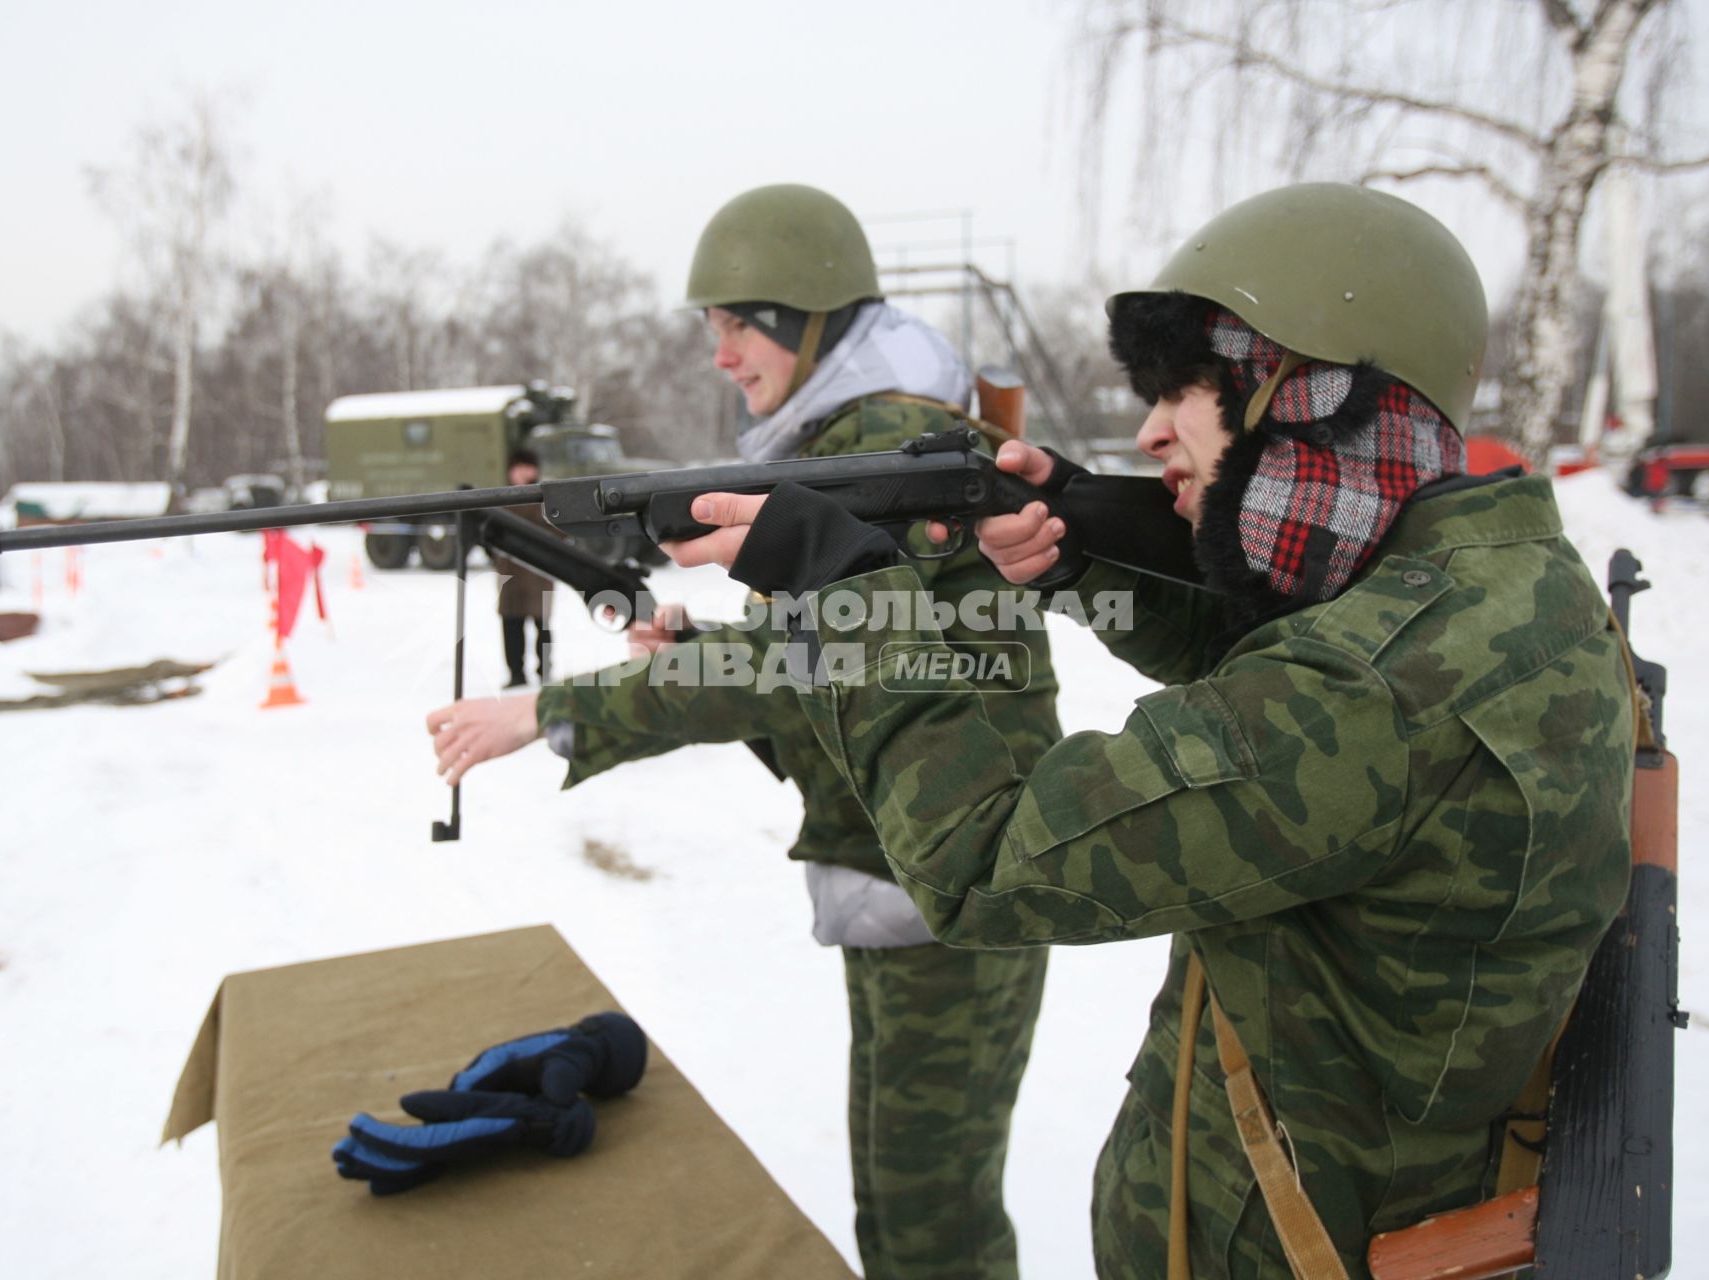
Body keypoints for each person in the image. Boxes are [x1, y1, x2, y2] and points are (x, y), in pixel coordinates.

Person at [665, 183, 1635, 1277]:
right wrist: (1087, 540)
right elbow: (1282, 666)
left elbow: (987, 862)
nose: (1149, 427)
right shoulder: (1497, 586)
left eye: (1186, 390)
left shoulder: (1377, 688)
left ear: (1313, 401)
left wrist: (852, 591)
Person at [427, 184, 1060, 1280]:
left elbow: (797, 665)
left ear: (806, 316)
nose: (720, 354)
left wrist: (547, 708)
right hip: (915, 864)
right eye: (712, 328)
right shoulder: (860, 439)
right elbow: (840, 669)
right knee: (907, 1204)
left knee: (929, 1223)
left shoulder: (881, 444)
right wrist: (695, 654)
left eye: (735, 323)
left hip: (958, 870)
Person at [496, 448, 552, 688]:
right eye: (517, 467)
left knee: (543, 626)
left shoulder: (544, 499)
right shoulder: (499, 498)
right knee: (511, 626)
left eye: (526, 467)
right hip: (509, 574)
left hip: (539, 573)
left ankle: (545, 672)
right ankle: (516, 673)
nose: (521, 473)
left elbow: (556, 532)